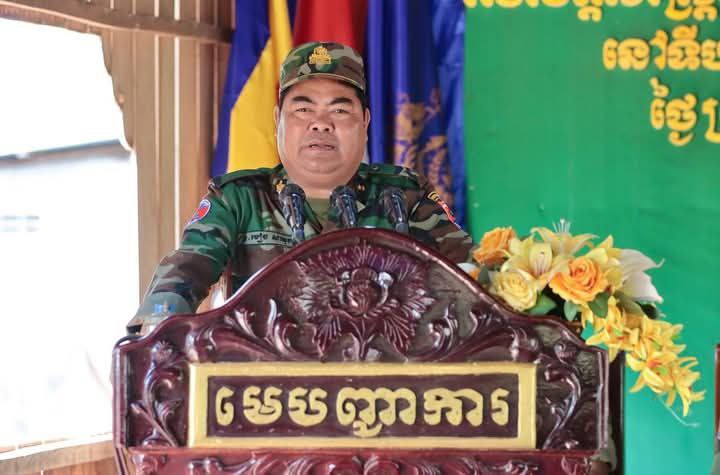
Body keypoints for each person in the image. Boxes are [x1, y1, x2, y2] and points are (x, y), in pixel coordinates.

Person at [127, 41, 474, 335]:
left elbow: (470, 277)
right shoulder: (239, 199)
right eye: (303, 109)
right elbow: (188, 268)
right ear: (277, 120)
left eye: (339, 110)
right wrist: (156, 328)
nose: (320, 124)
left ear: (365, 122)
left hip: (386, 381)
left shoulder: (404, 196)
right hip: (263, 381)